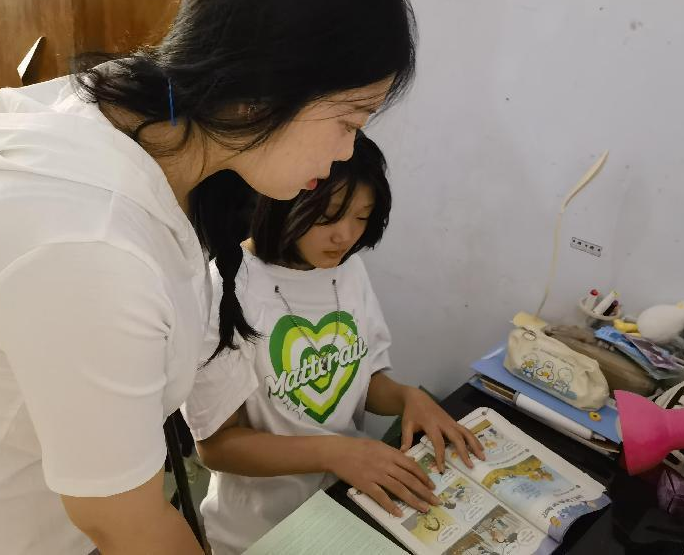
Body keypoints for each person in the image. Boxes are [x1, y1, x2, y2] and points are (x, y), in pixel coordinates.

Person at [0, 0, 416, 553]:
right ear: (265, 83)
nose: (346, 152)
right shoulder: (87, 245)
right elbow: (123, 521)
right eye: (349, 120)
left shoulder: (160, 139)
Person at [182, 132, 484, 554]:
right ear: (282, 199)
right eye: (326, 217)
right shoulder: (223, 292)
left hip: (349, 500)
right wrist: (334, 452)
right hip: (265, 529)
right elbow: (217, 447)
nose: (345, 236)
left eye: (362, 217)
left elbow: (362, 380)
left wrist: (406, 397)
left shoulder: (347, 270)